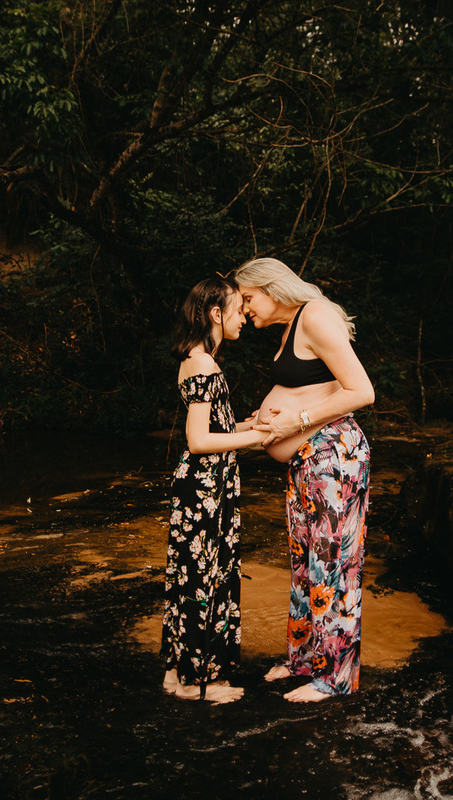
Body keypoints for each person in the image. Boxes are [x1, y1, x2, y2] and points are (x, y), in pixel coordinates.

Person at [233, 257, 376, 703]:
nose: (245, 308)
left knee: (332, 565)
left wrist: (296, 420)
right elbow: (311, 388)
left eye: (248, 298)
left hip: (335, 456)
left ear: (271, 288)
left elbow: (361, 390)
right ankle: (303, 658)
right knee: (304, 563)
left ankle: (334, 677)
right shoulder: (293, 326)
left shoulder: (314, 315)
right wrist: (262, 421)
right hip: (307, 460)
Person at [162, 276, 267, 703]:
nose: (244, 316)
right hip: (204, 491)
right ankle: (199, 685)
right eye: (238, 309)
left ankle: (177, 675)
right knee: (204, 579)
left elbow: (214, 428)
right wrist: (259, 439)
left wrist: (250, 423)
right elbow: (200, 441)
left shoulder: (196, 358)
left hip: (205, 489)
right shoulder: (204, 363)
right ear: (215, 313)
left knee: (190, 578)